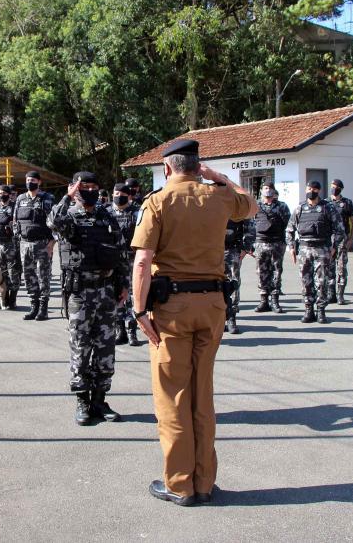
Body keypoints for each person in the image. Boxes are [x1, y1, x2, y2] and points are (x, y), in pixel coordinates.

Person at [131, 139, 256, 506]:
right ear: (197, 166)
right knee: (203, 395)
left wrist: (139, 311)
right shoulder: (218, 197)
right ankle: (204, 482)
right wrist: (220, 178)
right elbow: (250, 206)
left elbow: (142, 262)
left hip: (172, 311)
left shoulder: (157, 201)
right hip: (213, 305)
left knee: (173, 397)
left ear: (167, 168)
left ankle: (180, 485)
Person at [48, 171, 129, 425]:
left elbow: (120, 251)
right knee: (81, 348)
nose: (90, 190)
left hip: (106, 291)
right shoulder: (68, 216)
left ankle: (100, 399)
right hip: (80, 294)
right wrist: (67, 197)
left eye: (94, 186)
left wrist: (123, 284)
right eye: (85, 186)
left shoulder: (107, 216)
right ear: (75, 188)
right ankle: (82, 401)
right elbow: (52, 222)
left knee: (106, 349)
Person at [285, 181, 345, 324]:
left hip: (322, 249)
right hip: (304, 249)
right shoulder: (300, 208)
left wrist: (334, 247)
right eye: (309, 188)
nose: (311, 191)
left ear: (319, 191)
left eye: (315, 189)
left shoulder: (328, 208)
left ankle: (321, 311)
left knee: (322, 281)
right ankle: (308, 310)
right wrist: (291, 247)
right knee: (306, 281)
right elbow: (289, 229)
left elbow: (340, 229)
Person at [14, 171, 56, 320]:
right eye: (27, 180)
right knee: (29, 276)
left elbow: (55, 222)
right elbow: (15, 221)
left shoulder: (47, 199)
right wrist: (18, 238)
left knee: (43, 277)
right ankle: (34, 306)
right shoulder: (20, 199)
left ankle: (43, 308)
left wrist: (52, 243)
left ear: (39, 182)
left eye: (32, 180)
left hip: (42, 244)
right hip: (24, 244)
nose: (29, 182)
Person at [110, 183, 141, 346]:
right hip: (113, 261)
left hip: (131, 260)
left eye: (122, 193)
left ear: (129, 196)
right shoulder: (107, 213)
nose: (118, 195)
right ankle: (119, 330)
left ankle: (131, 332)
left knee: (131, 296)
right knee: (115, 295)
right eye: (116, 192)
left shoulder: (136, 213)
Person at [253, 181, 290, 313]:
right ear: (262, 191)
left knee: (276, 272)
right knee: (261, 272)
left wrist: (287, 243)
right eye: (266, 188)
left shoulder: (282, 206)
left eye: (270, 188)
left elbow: (288, 224)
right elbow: (251, 224)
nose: (268, 191)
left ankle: (275, 300)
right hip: (260, 243)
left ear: (274, 191)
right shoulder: (256, 206)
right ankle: (263, 301)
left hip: (276, 243)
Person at [325, 179, 353, 305]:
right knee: (329, 268)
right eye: (332, 186)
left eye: (336, 187)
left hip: (343, 239)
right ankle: (331, 294)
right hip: (329, 239)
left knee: (342, 267)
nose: (334, 188)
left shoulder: (347, 203)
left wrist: (351, 239)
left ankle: (340, 294)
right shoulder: (325, 202)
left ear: (341, 189)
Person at [223, 218, 254, 334]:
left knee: (233, 283)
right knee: (216, 285)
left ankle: (232, 317)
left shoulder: (237, 204)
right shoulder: (212, 203)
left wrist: (245, 248)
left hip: (232, 250)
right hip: (213, 250)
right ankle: (220, 318)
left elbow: (250, 227)